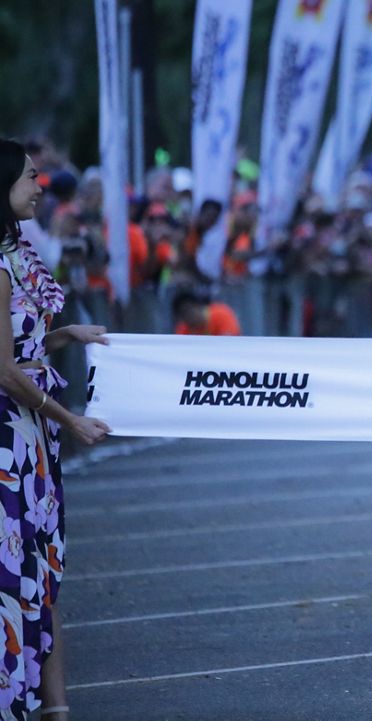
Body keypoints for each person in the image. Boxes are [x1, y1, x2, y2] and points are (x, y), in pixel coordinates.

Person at [0, 139, 111, 720]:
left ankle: (55, 710)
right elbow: (3, 368)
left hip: (30, 436)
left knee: (39, 564)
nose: (39, 188)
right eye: (29, 178)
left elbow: (23, 345)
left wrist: (68, 335)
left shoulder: (16, 252)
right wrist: (68, 419)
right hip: (10, 436)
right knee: (13, 571)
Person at [172, 287, 242, 336]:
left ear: (198, 306)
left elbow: (229, 342)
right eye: (184, 314)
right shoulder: (184, 328)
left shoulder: (221, 314)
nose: (189, 316)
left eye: (190, 310)